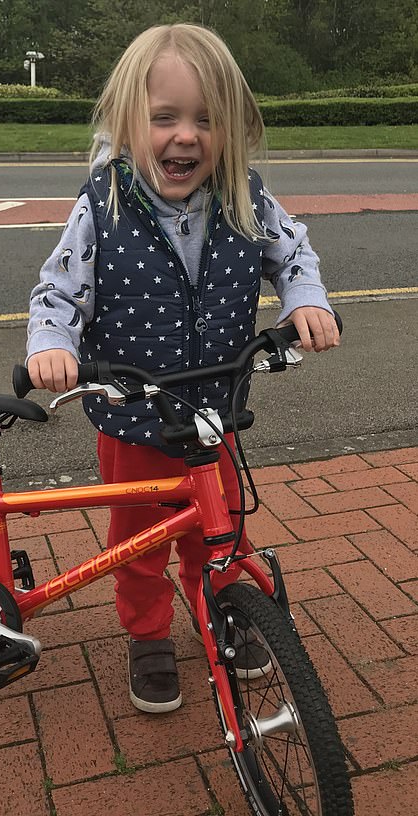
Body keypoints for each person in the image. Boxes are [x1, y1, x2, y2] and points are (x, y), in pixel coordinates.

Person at [26, 23, 339, 714]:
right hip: (133, 418)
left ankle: (223, 611)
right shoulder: (104, 204)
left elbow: (293, 255)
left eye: (206, 119)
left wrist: (307, 301)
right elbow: (60, 290)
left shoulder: (245, 197)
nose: (186, 137)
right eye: (164, 118)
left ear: (232, 128)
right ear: (129, 124)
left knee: (220, 528)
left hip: (213, 413)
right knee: (139, 545)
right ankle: (147, 636)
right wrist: (51, 342)